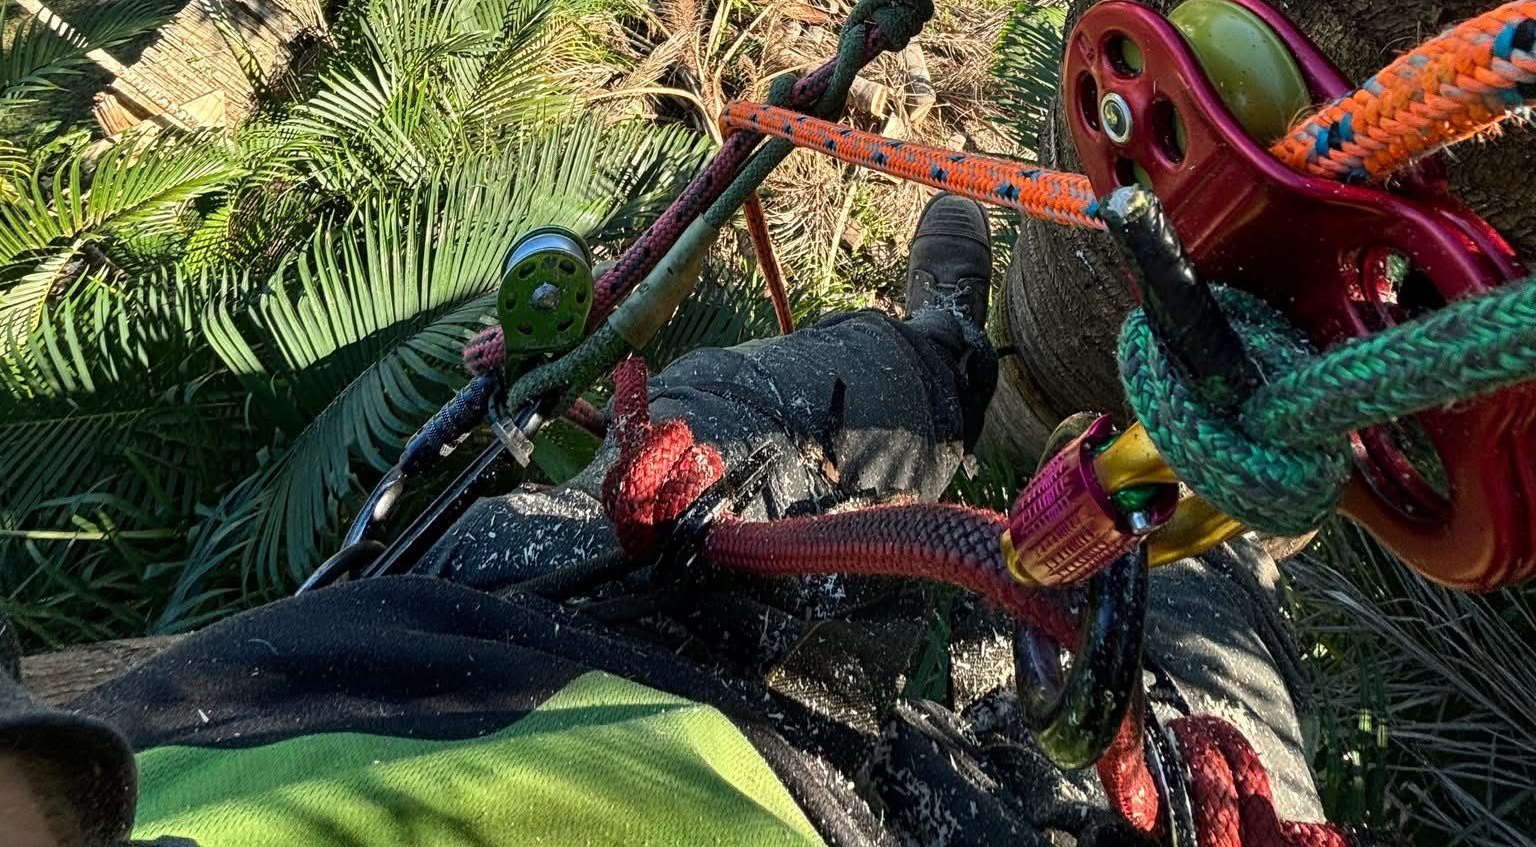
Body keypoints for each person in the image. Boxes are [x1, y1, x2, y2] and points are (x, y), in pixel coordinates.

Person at [0, 197, 1329, 846]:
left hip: (487, 625)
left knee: (776, 395)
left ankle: (942, 345)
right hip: (863, 830)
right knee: (1194, 639)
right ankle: (1234, 481)